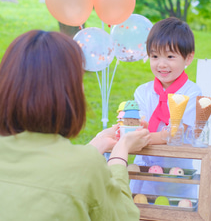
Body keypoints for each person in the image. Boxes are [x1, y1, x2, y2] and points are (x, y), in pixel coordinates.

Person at [0, 30, 150, 221]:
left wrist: (96, 146)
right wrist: (120, 153)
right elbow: (124, 217)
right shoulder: (86, 166)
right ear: (67, 92)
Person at [130, 17, 202, 199]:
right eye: (154, 56)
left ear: (188, 57)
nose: (161, 64)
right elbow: (139, 129)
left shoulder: (192, 93)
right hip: (143, 173)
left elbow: (177, 133)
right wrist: (158, 135)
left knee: (176, 212)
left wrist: (144, 137)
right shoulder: (142, 92)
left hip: (176, 174)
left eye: (170, 56)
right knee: (141, 211)